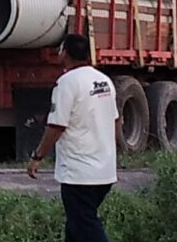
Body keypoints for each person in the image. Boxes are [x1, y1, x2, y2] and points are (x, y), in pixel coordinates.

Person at [27, 34, 121, 242]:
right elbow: (115, 121)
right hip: (104, 172)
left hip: (79, 174)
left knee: (85, 224)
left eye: (60, 49)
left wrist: (37, 156)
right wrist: (110, 153)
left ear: (66, 54)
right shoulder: (104, 81)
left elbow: (57, 126)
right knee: (76, 226)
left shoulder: (67, 83)